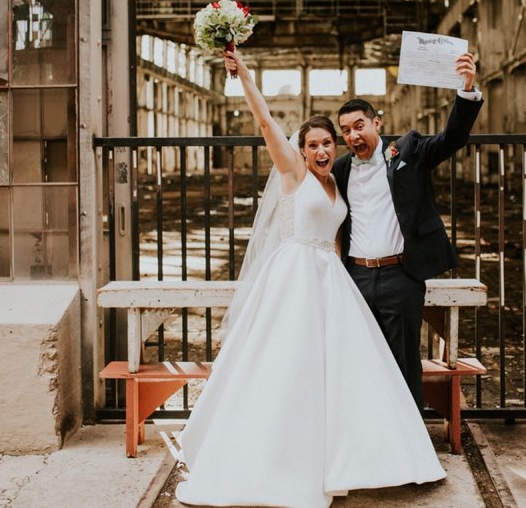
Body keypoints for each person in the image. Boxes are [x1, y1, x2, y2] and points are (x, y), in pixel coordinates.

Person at [175, 49, 445, 508]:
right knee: (285, 368)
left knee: (341, 373)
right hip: (295, 278)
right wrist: (245, 75)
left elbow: (342, 234)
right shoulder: (294, 174)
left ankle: (345, 456)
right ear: (301, 149)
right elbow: (265, 125)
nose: (322, 150)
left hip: (332, 281)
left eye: (328, 143)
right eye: (314, 143)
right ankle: (277, 458)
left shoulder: (337, 181)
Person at [332, 53, 482, 410]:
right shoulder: (338, 169)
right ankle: (366, 435)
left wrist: (467, 89)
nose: (353, 135)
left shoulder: (409, 151)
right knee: (358, 362)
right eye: (346, 131)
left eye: (359, 125)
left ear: (377, 123)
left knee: (402, 364)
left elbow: (453, 138)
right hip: (355, 277)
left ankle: (410, 443)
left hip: (401, 274)